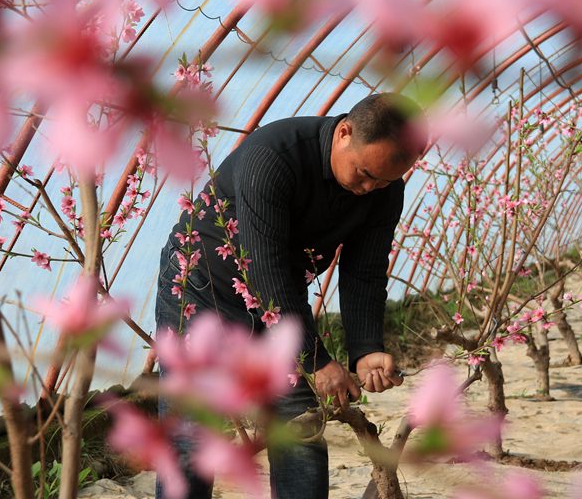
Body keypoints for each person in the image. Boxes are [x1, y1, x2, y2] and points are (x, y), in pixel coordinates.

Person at [154, 93, 424, 499]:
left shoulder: (383, 190)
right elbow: (266, 267)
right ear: (345, 133)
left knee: (300, 424)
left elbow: (363, 271)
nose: (370, 189)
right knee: (193, 432)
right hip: (201, 289)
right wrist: (315, 360)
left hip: (280, 303)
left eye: (385, 181)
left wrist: (366, 347)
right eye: (366, 174)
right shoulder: (274, 158)